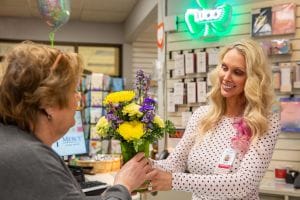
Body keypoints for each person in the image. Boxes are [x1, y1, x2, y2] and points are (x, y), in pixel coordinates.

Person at [0, 41, 152, 200]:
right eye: (73, 91)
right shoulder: (34, 160)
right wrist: (123, 186)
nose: (79, 97)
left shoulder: (12, 142)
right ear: (48, 103)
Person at [148, 39, 280, 199]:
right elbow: (174, 163)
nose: (226, 77)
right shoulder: (202, 116)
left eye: (237, 72)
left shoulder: (264, 122)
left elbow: (243, 183)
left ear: (252, 79)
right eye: (224, 68)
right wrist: (142, 164)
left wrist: (174, 181)